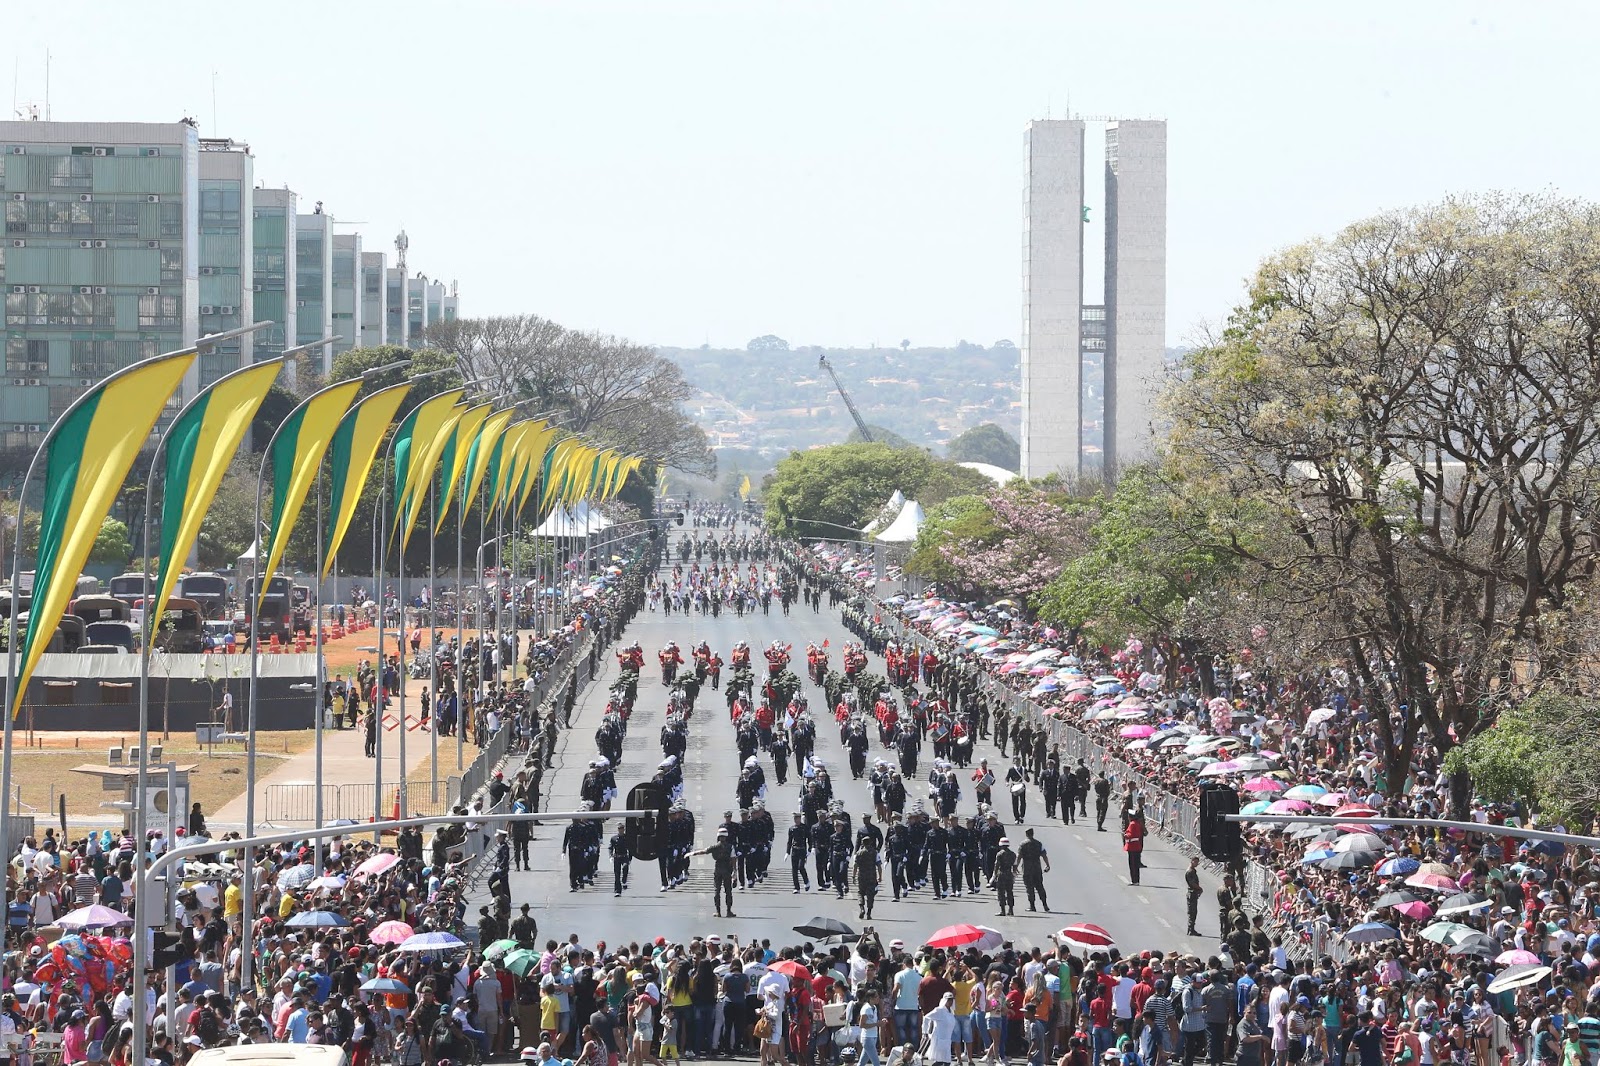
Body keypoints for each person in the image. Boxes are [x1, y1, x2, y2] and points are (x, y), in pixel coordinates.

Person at [693, 829, 738, 918]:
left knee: (717, 890)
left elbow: (704, 851)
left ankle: (718, 912)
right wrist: (734, 870)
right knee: (728, 891)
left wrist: (693, 853)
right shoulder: (730, 847)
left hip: (718, 870)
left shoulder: (714, 847)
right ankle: (729, 911)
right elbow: (733, 858)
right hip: (727, 870)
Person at [1016, 828, 1050, 912]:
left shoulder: (1022, 844)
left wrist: (1015, 866)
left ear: (1026, 834)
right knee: (1040, 886)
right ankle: (1045, 905)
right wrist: (1047, 865)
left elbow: (1019, 856)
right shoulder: (1039, 844)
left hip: (1027, 868)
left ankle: (1032, 906)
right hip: (1037, 867)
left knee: (1029, 887)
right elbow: (1044, 855)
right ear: (1033, 834)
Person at [924, 992, 958, 1066]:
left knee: (946, 1061)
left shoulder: (951, 1012)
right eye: (949, 1000)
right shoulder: (939, 1010)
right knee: (941, 1061)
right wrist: (925, 1032)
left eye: (952, 1000)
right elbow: (927, 1017)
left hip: (947, 1040)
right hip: (939, 1040)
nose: (950, 1002)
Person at [990, 837, 1017, 917]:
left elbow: (996, 865)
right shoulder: (1013, 854)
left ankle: (1003, 910)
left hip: (1001, 874)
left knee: (1001, 893)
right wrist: (1014, 875)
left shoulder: (999, 854)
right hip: (1009, 874)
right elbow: (1015, 865)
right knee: (1009, 892)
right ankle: (1011, 910)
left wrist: (994, 876)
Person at [1122, 811, 1146, 885]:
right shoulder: (1137, 823)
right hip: (1136, 846)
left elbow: (1131, 835)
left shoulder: (1132, 824)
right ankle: (1136, 880)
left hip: (1132, 846)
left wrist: (1125, 835)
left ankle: (1134, 880)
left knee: (1132, 865)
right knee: (1136, 864)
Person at [1184, 858, 1202, 936]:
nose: (1196, 863)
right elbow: (1192, 883)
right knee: (1192, 912)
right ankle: (1190, 929)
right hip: (1191, 893)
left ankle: (1191, 929)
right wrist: (1199, 888)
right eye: (1195, 862)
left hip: (1193, 893)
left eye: (1197, 862)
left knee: (1194, 912)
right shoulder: (1190, 871)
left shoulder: (1193, 871)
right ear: (1191, 861)